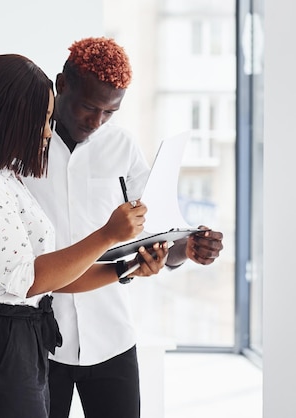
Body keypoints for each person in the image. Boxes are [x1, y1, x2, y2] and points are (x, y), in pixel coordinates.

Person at [0, 53, 170, 418]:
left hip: (20, 337)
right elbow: (26, 279)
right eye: (43, 119)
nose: (49, 130)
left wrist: (124, 269)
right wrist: (108, 235)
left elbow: (46, 276)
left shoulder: (3, 178)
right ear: (10, 117)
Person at [23, 37, 225, 418]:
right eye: (88, 107)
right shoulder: (22, 145)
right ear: (61, 85)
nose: (96, 122)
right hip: (38, 343)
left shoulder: (123, 146)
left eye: (109, 112)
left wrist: (188, 248)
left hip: (111, 337)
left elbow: (160, 234)